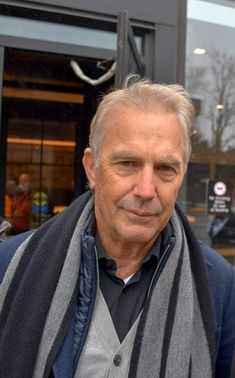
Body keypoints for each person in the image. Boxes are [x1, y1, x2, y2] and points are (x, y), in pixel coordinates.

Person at [0, 77, 234, 378]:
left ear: (182, 175)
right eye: (127, 163)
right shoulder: (11, 267)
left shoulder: (218, 286)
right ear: (92, 167)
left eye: (165, 168)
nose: (146, 189)